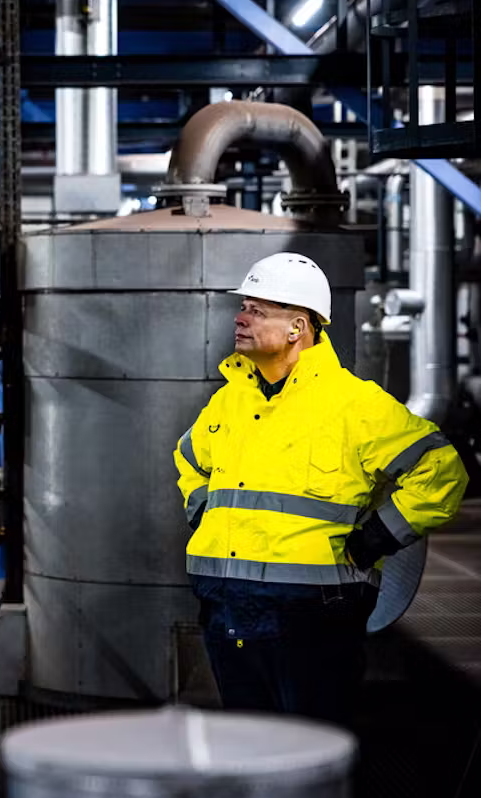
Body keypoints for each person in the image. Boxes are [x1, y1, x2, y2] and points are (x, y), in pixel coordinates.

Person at [173, 251, 469, 727]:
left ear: (298, 326)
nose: (240, 318)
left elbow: (441, 470)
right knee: (248, 745)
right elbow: (189, 459)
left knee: (314, 750)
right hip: (228, 609)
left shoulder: (354, 405)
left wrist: (379, 536)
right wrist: (203, 509)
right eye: (243, 307)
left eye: (257, 310)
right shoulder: (229, 400)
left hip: (312, 619)